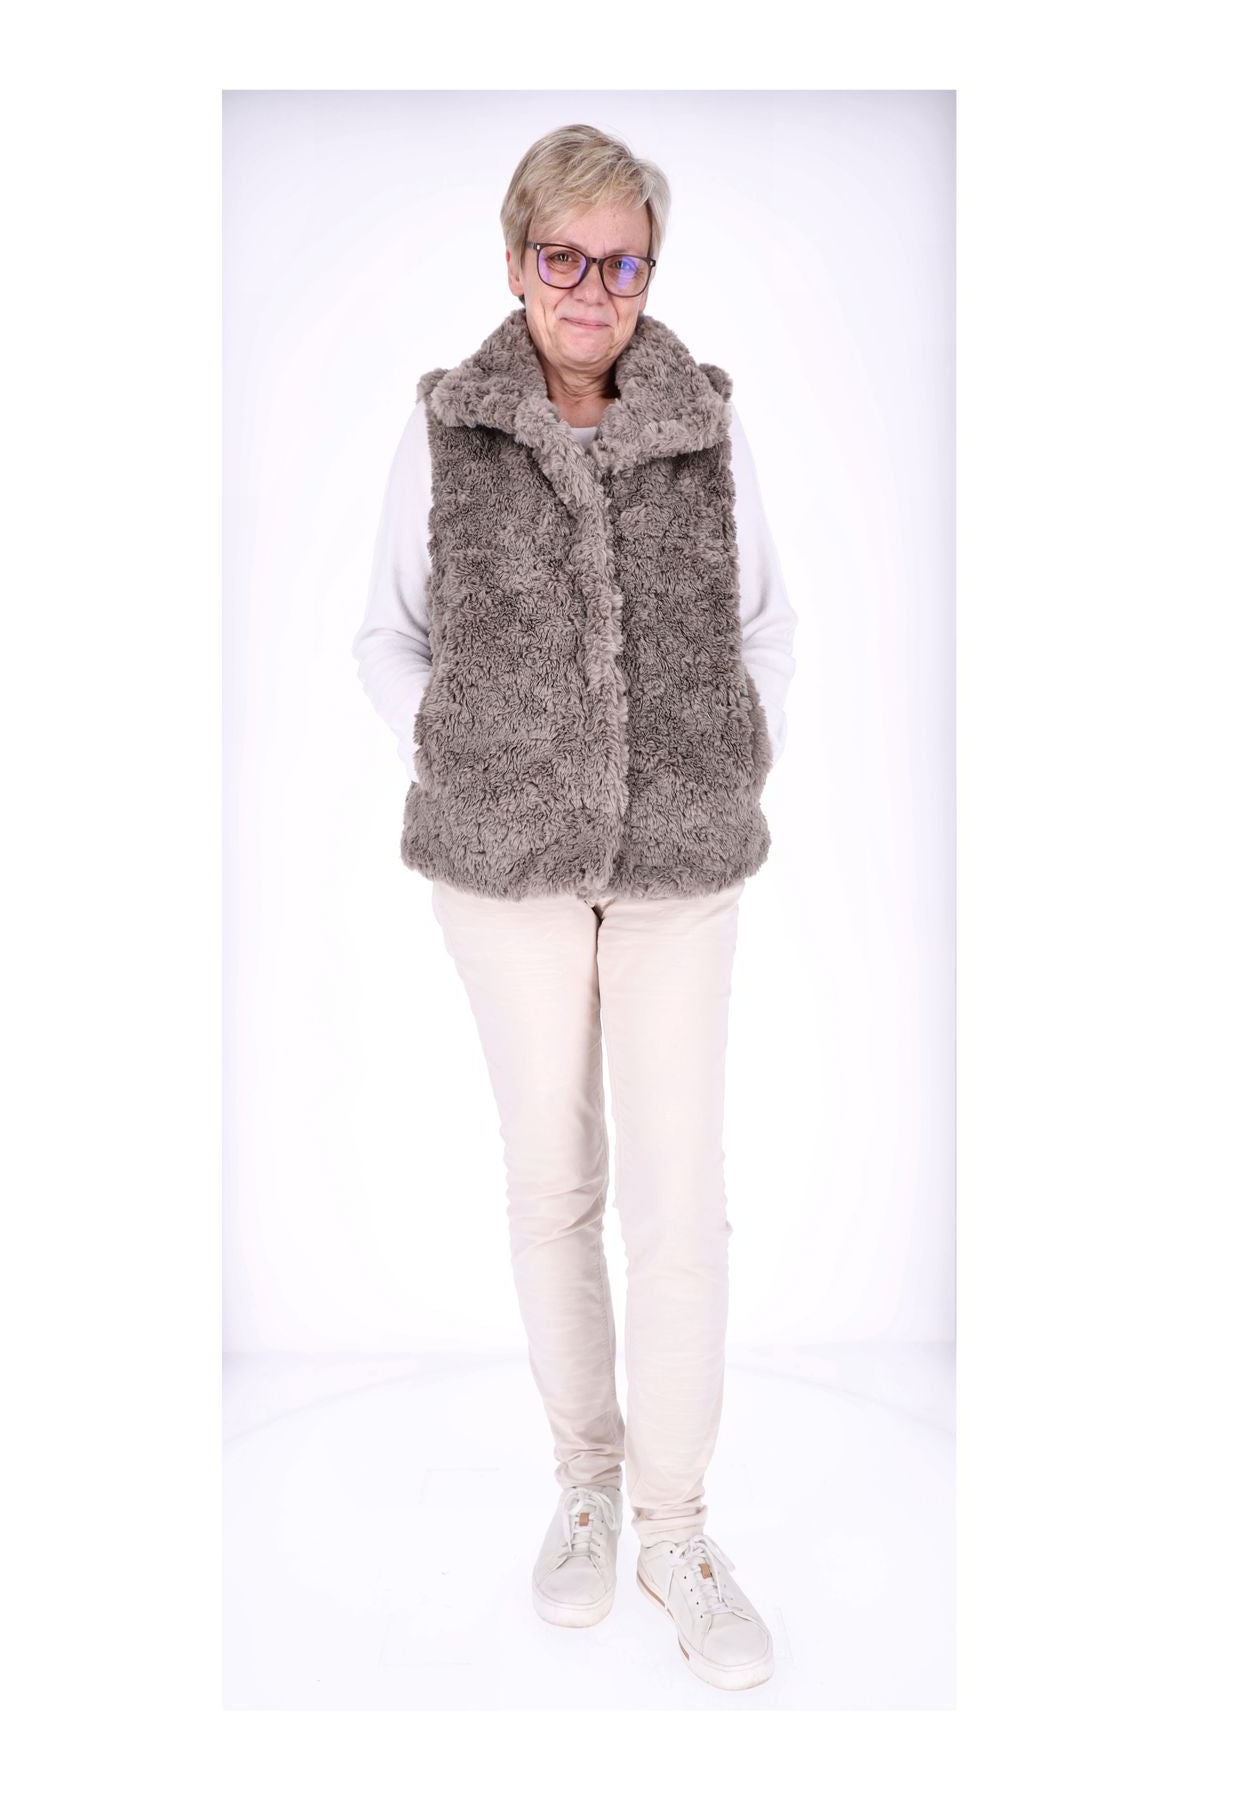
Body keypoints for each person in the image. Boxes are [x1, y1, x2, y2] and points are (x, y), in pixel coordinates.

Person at [352, 123, 797, 1693]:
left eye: (622, 262)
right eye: (564, 258)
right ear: (515, 261)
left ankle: (675, 1529)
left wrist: (726, 760)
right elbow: (387, 638)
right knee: (551, 1179)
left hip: (681, 862)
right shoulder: (449, 425)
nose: (592, 290)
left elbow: (765, 627)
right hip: (504, 865)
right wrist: (479, 762)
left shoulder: (704, 423)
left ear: (647, 273)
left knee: (678, 1200)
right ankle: (586, 1488)